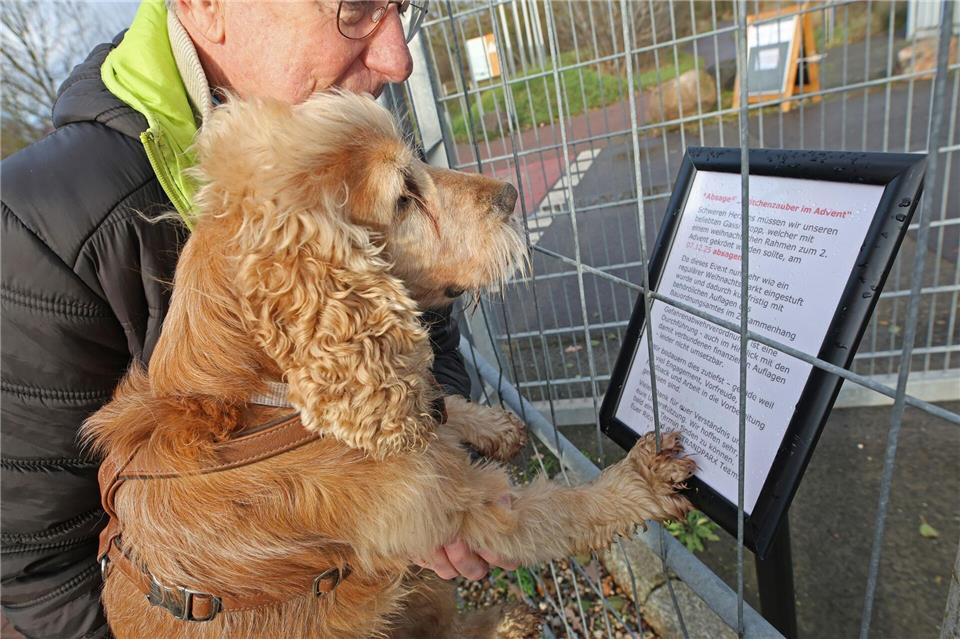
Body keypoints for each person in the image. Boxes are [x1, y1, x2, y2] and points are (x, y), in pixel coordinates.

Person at [0, 2, 514, 637]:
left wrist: (436, 467)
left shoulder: (334, 124)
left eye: (402, 7)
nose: (397, 60)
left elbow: (428, 337)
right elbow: (44, 573)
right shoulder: (40, 229)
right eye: (354, 8)